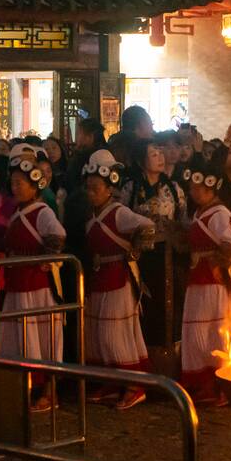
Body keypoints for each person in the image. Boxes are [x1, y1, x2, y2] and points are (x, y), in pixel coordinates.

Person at [82, 150, 154, 409]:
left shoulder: (120, 213)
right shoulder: (91, 214)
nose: (90, 193)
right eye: (88, 188)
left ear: (109, 189)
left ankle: (135, 385)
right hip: (98, 277)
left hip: (118, 279)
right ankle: (110, 380)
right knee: (98, 333)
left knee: (115, 333)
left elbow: (147, 225)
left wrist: (135, 249)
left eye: (95, 188)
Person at [0, 153, 66, 411]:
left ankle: (49, 391)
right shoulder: (18, 212)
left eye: (20, 183)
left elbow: (58, 235)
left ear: (33, 184)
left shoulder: (42, 211)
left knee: (41, 336)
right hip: (17, 282)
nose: (15, 187)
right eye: (13, 183)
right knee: (19, 335)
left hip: (36, 284)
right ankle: (25, 386)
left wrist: (45, 258)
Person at [180, 162, 231, 405]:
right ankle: (202, 382)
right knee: (195, 331)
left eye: (198, 188)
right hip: (197, 280)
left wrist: (213, 261)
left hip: (211, 284)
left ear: (211, 189)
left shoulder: (219, 214)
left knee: (212, 331)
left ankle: (219, 385)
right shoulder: (199, 213)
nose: (193, 192)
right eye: (192, 188)